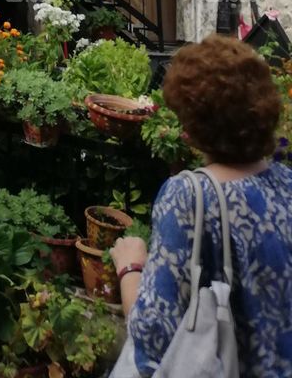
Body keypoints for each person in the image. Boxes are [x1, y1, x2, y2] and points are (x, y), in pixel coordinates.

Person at [112, 34, 292, 375]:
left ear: (193, 128)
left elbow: (153, 339)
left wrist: (130, 267)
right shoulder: (286, 183)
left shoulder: (189, 196)